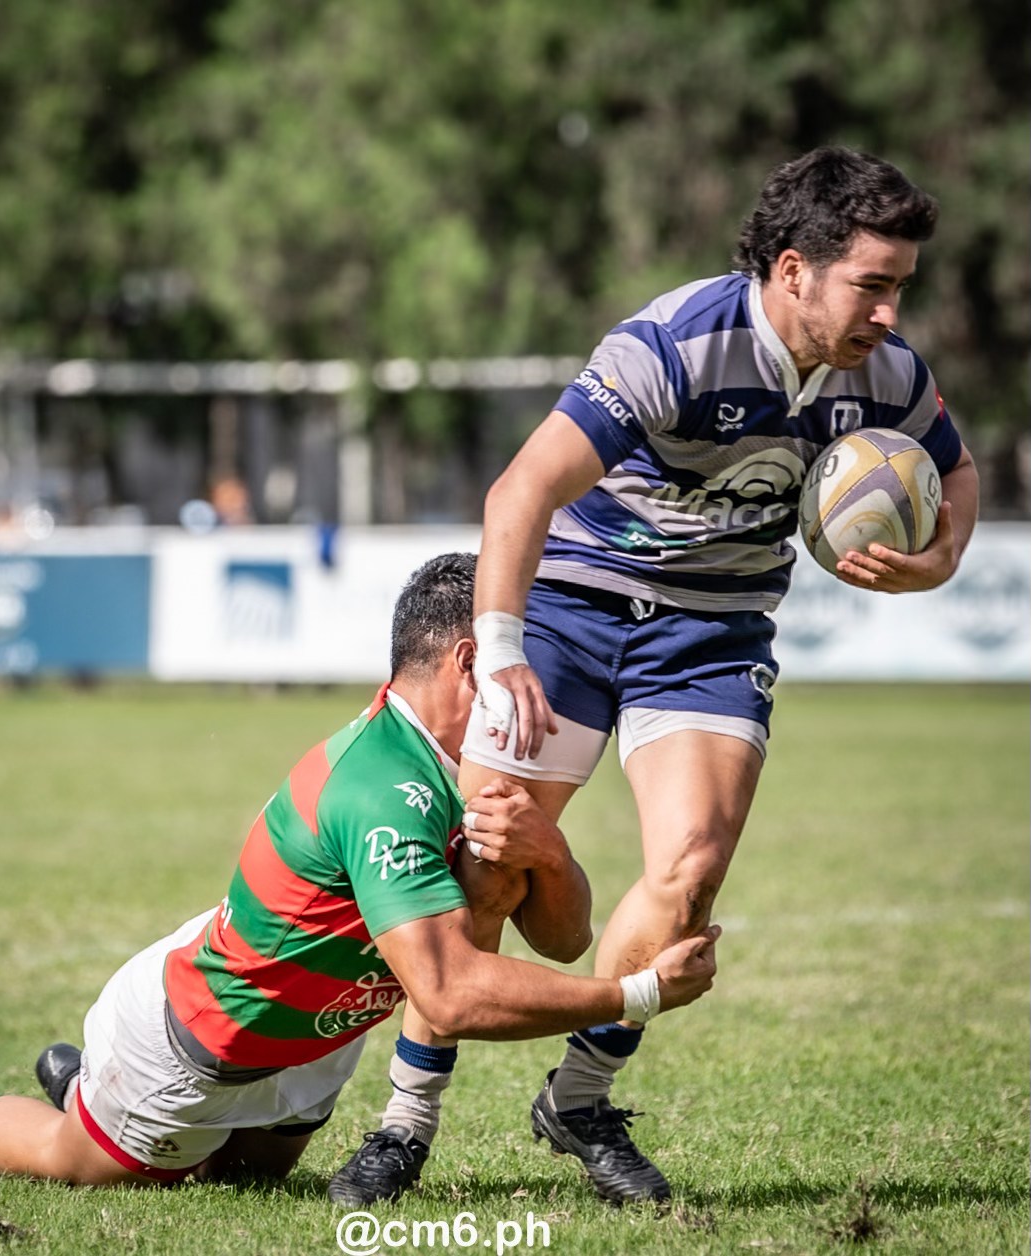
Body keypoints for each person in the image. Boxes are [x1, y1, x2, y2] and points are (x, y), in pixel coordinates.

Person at [337, 146, 979, 1206]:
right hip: (576, 604)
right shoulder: (675, 343)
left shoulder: (888, 371)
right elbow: (521, 489)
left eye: (900, 283)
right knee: (491, 860)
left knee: (688, 872)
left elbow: (952, 467)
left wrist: (939, 555)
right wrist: (501, 652)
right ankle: (406, 1119)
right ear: (790, 270)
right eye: (872, 283)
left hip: (713, 630)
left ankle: (579, 1101)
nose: (888, 309)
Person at [0, 552, 721, 1192]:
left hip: (315, 1047)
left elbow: (564, 939)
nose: (540, 685)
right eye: (519, 658)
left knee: (247, 1187)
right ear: (470, 662)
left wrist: (548, 849)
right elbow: (451, 995)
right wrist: (637, 996)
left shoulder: (477, 772)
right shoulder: (382, 787)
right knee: (84, 1165)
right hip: (200, 1043)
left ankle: (84, 1088)